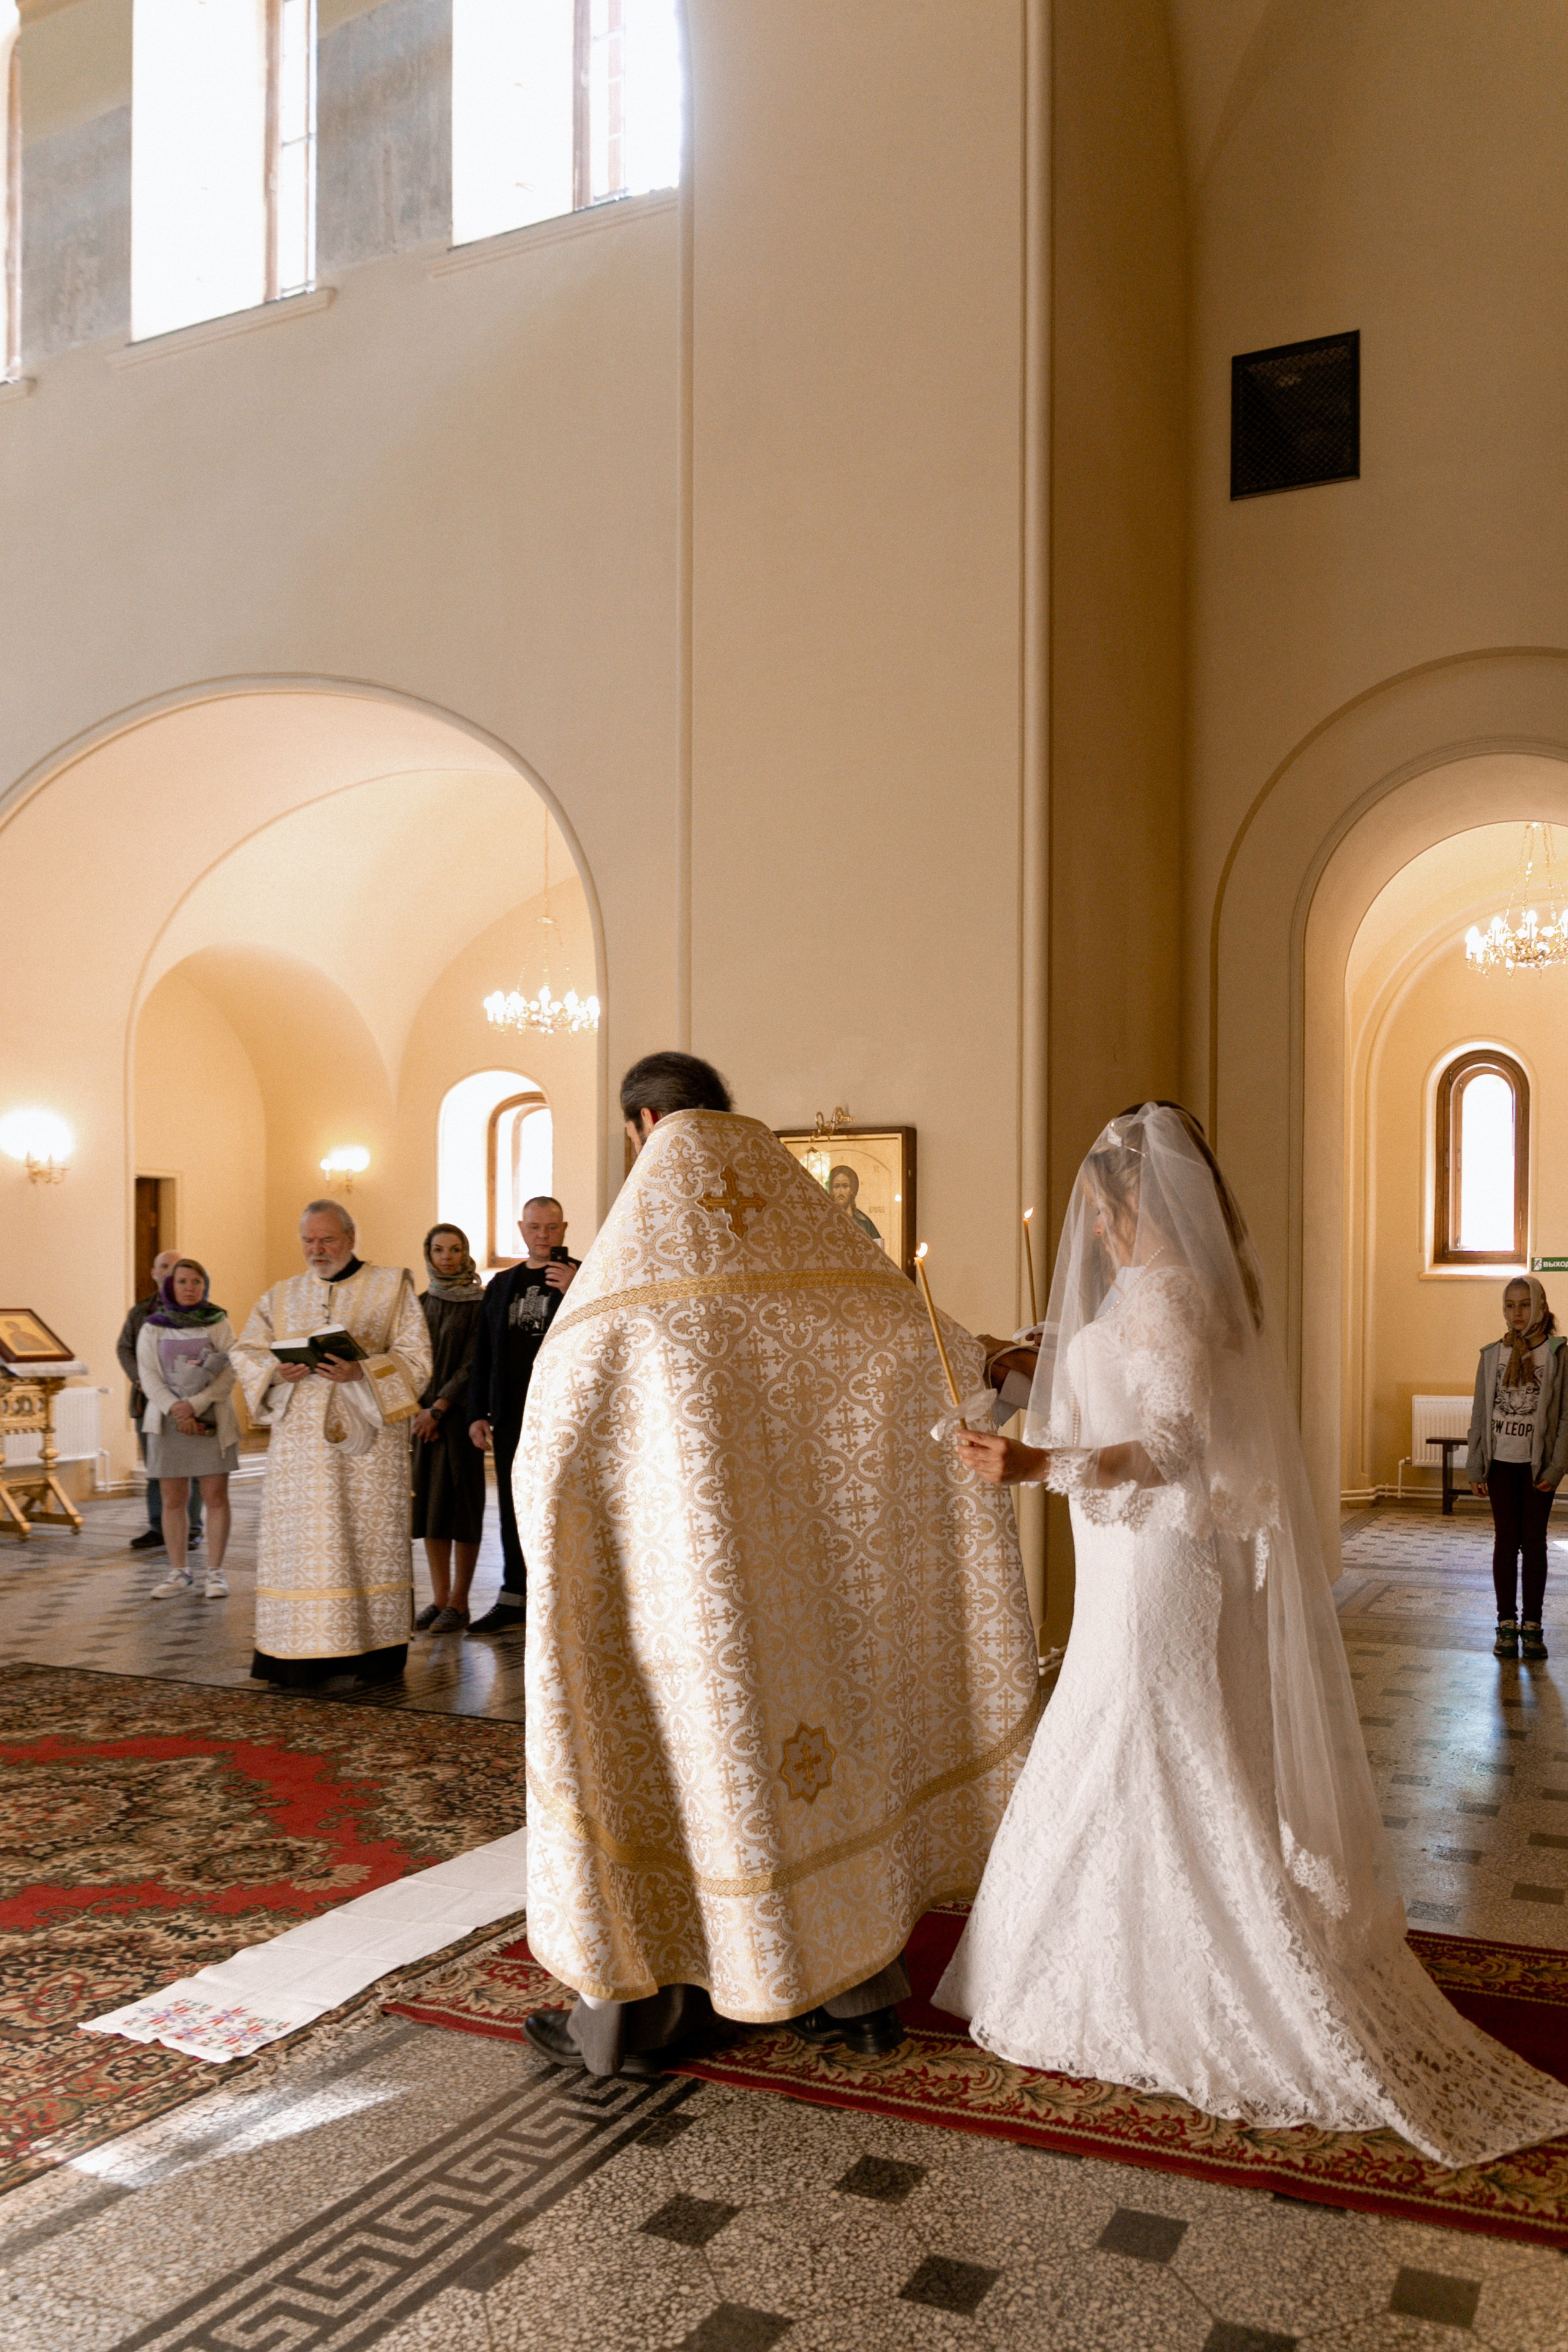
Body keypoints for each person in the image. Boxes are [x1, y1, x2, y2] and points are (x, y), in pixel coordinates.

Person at [935, 1101, 1568, 2169]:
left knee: (1152, 1736)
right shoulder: (1164, 1294)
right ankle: (1118, 1946)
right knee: (1134, 1733)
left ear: (1138, 1198)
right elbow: (1116, 1406)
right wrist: (1026, 1380)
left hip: (1156, 1567)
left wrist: (1040, 1465)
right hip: (1124, 1561)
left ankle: (1205, 1968)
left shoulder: (1172, 1294)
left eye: (1102, 1205)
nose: (1094, 1228)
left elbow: (1176, 1443)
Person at [517, 1052, 1040, 2079]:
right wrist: (989, 1357)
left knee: (682, 1775)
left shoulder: (629, 1275)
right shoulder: (809, 1231)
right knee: (825, 1767)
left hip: (686, 1594)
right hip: (821, 1586)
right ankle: (857, 1997)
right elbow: (909, 1337)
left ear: (643, 1123)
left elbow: (560, 1433)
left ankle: (639, 2017)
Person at [230, 1201, 430, 1688]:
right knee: (304, 1549)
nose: (316, 1250)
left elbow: (417, 1359)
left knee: (363, 1543)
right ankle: (298, 1655)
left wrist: (361, 1370)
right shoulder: (280, 1297)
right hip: (300, 1455)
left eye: (327, 1240)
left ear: (351, 1236)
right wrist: (278, 1372)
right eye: (308, 1241)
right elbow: (247, 1353)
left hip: (368, 1452)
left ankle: (375, 1653)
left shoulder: (391, 1287)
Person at [465, 1197, 579, 1634]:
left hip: (563, 1416)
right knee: (514, 1506)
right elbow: (483, 1354)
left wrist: (574, 1289)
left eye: (551, 1228)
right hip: (512, 1414)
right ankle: (514, 1597)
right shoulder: (502, 1285)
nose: (543, 1236)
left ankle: (563, 1600)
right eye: (535, 1227)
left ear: (564, 1228)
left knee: (563, 1506)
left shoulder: (586, 1276)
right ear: (522, 1228)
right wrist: (478, 1411)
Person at [1468, 1274, 1568, 1662]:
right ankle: (1506, 1624)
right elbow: (1480, 1410)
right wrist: (1476, 1464)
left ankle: (1534, 1626)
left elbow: (1565, 1419)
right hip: (1501, 1463)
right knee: (1506, 1544)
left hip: (1536, 1466)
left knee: (1535, 1543)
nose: (1517, 1313)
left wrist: (1557, 1467)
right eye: (1510, 1305)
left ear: (1540, 1305)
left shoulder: (1558, 1354)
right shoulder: (1492, 1353)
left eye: (1525, 1304)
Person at [135, 1258, 237, 1600]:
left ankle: (215, 1573)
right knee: (173, 1499)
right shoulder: (153, 1326)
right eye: (182, 1281)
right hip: (167, 1420)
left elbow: (230, 1371)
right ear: (170, 1285)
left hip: (211, 1417)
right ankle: (179, 1571)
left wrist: (195, 1405)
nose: (190, 1288)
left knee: (215, 1497)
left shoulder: (218, 1321)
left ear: (205, 1285)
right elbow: (148, 1374)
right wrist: (175, 1408)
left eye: (197, 1281)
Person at [412, 1223, 487, 1632]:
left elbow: (473, 1363)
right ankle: (439, 1599)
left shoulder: (480, 1302)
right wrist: (419, 1411)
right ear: (428, 1254)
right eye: (439, 1250)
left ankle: (461, 1601)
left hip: (459, 1421)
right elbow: (409, 1359)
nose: (447, 1257)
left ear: (465, 1253)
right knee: (432, 1510)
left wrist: (440, 1408)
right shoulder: (420, 1302)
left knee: (462, 1510)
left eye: (455, 1250)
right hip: (425, 1422)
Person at [118, 1249, 203, 1555]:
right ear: (154, 1273)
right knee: (157, 1467)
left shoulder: (201, 1311)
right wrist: (142, 1379)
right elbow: (125, 1348)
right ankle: (159, 1528)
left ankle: (192, 1529)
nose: (170, 1274)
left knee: (191, 1466)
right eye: (164, 1268)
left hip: (188, 1401)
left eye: (176, 1269)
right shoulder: (140, 1312)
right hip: (149, 1401)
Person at [827, 1163, 881, 1246]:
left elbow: (879, 1253)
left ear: (852, 1190)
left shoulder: (865, 1223)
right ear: (831, 1191)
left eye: (845, 1186)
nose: (841, 1192)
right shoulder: (825, 1220)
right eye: (837, 1186)